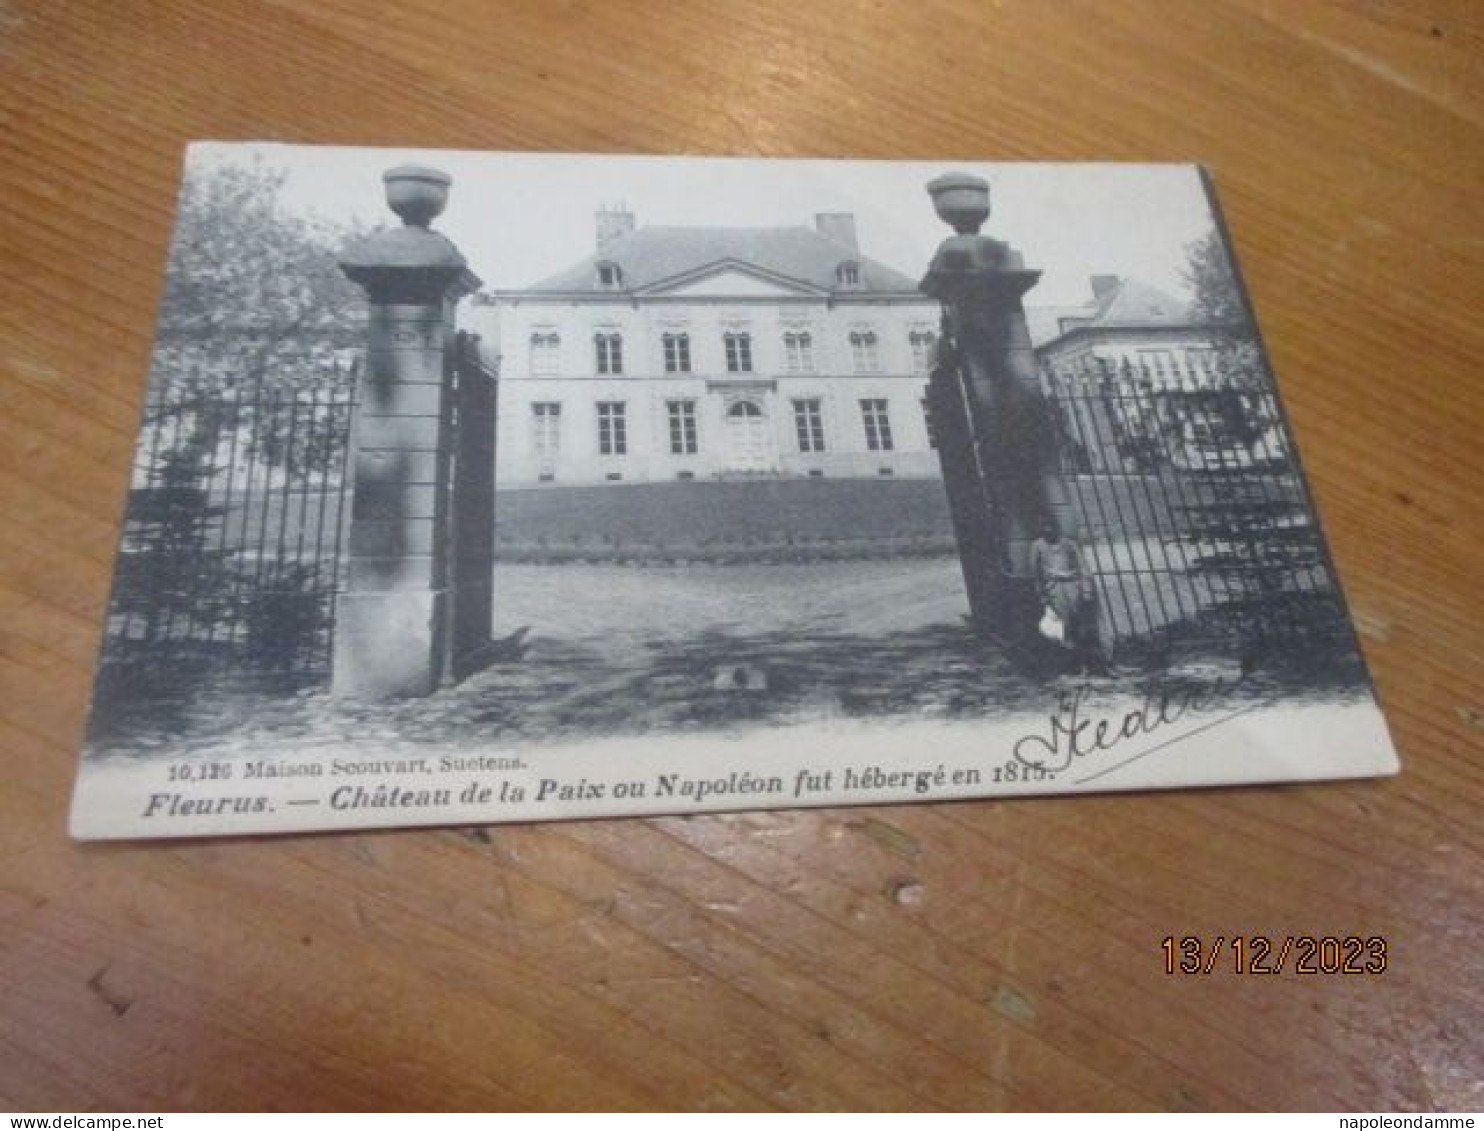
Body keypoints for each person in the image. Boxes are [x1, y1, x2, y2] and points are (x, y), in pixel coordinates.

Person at [1029, 517, 1099, 668]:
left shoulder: (1069, 544)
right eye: (1044, 526)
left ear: (1057, 527)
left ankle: (1084, 663)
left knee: (1077, 625)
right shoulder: (1037, 546)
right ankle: (1068, 663)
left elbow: (1083, 567)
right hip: (1053, 590)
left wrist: (1086, 590)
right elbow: (1036, 574)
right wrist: (1042, 595)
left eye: (1051, 526)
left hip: (1072, 587)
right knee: (1061, 626)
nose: (1048, 530)